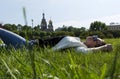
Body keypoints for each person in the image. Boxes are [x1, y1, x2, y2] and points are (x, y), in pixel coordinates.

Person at [0, 28, 112, 53]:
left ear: (94, 46)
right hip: (32, 43)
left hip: (29, 47)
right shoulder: (77, 40)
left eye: (96, 39)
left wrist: (103, 48)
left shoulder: (79, 47)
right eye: (95, 36)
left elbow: (85, 53)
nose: (93, 37)